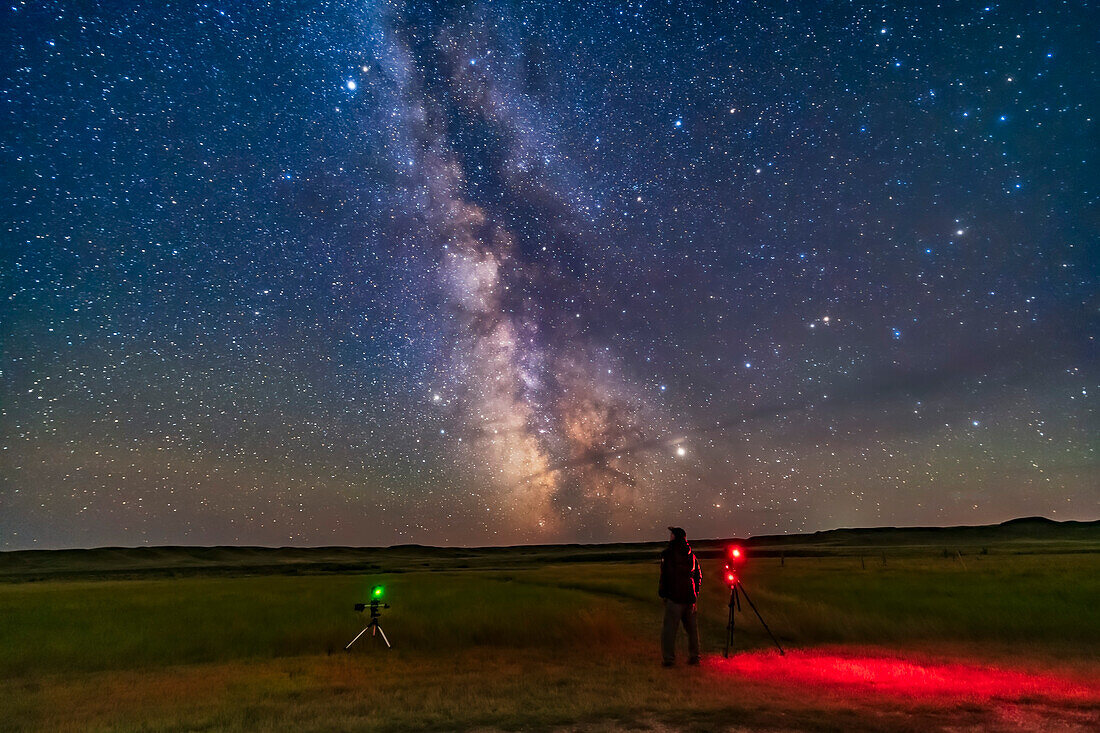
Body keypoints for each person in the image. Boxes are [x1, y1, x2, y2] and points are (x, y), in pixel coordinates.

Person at [658, 526, 701, 666]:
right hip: (689, 598)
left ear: (675, 537)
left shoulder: (668, 554)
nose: (669, 536)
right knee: (692, 630)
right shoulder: (691, 554)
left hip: (674, 598)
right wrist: (695, 594)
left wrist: (663, 594)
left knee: (669, 631)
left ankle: (669, 659)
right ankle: (695, 656)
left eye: (671, 534)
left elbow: (665, 576)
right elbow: (697, 576)